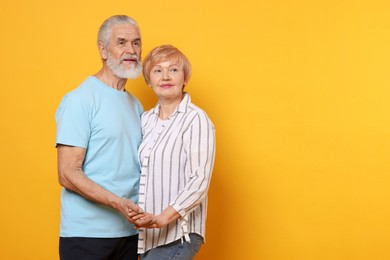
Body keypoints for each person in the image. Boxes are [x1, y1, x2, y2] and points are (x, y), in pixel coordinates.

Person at [55, 15, 144, 260]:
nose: (131, 50)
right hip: (87, 235)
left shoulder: (136, 106)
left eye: (136, 43)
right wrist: (118, 203)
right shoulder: (80, 100)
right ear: (103, 50)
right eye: (122, 42)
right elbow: (67, 173)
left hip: (131, 232)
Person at [130, 45, 216, 260]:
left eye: (174, 70)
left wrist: (162, 218)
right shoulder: (145, 120)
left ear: (185, 77)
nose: (166, 76)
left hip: (179, 234)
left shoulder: (196, 119)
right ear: (149, 80)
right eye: (158, 70)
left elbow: (200, 181)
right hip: (146, 235)